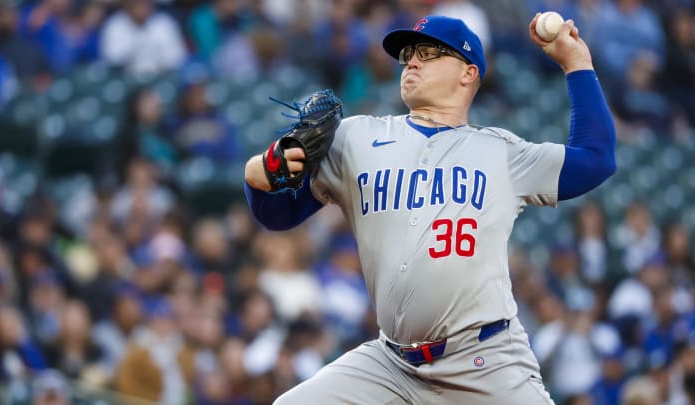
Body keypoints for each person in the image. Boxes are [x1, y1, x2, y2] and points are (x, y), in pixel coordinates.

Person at [244, 13, 616, 404]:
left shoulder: (502, 153)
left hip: (485, 361)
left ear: (468, 73)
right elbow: (276, 214)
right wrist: (259, 173)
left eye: (428, 53)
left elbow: (596, 159)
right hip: (391, 364)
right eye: (408, 54)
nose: (412, 62)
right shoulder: (356, 138)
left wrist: (576, 63)